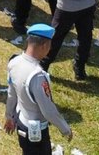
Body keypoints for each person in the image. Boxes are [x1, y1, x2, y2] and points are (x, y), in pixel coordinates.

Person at [4, 23, 71, 153]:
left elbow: (11, 94)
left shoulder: (14, 62)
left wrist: (9, 116)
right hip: (36, 132)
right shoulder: (38, 76)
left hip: (21, 122)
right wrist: (65, 129)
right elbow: (48, 110)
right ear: (44, 46)